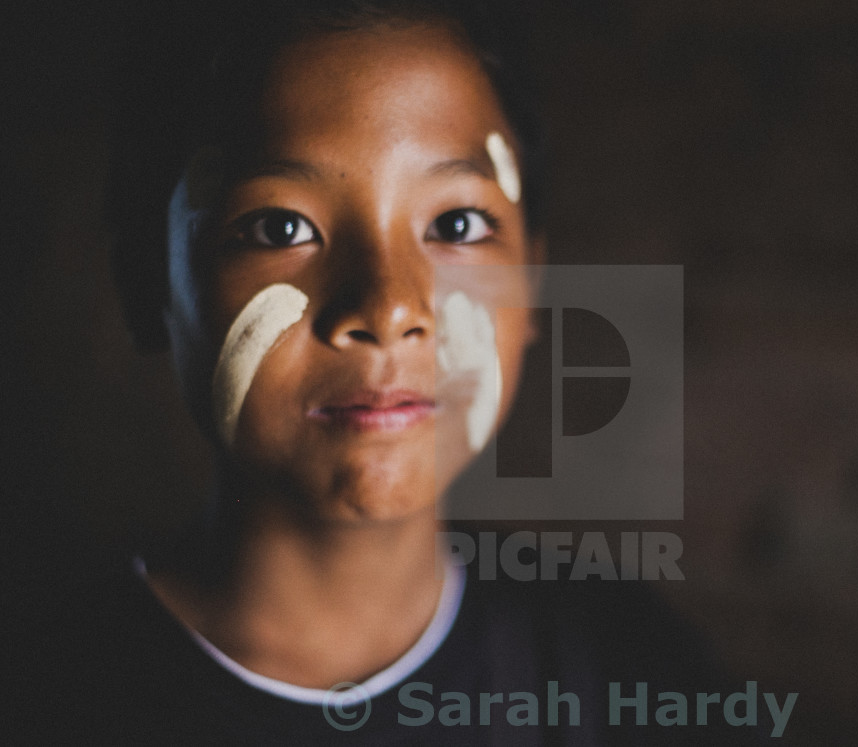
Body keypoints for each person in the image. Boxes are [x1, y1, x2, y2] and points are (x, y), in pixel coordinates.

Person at [29, 1, 767, 743]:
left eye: (455, 225)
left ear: (534, 278)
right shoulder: (52, 696)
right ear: (144, 282)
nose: (388, 307)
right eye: (281, 226)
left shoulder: (628, 672)